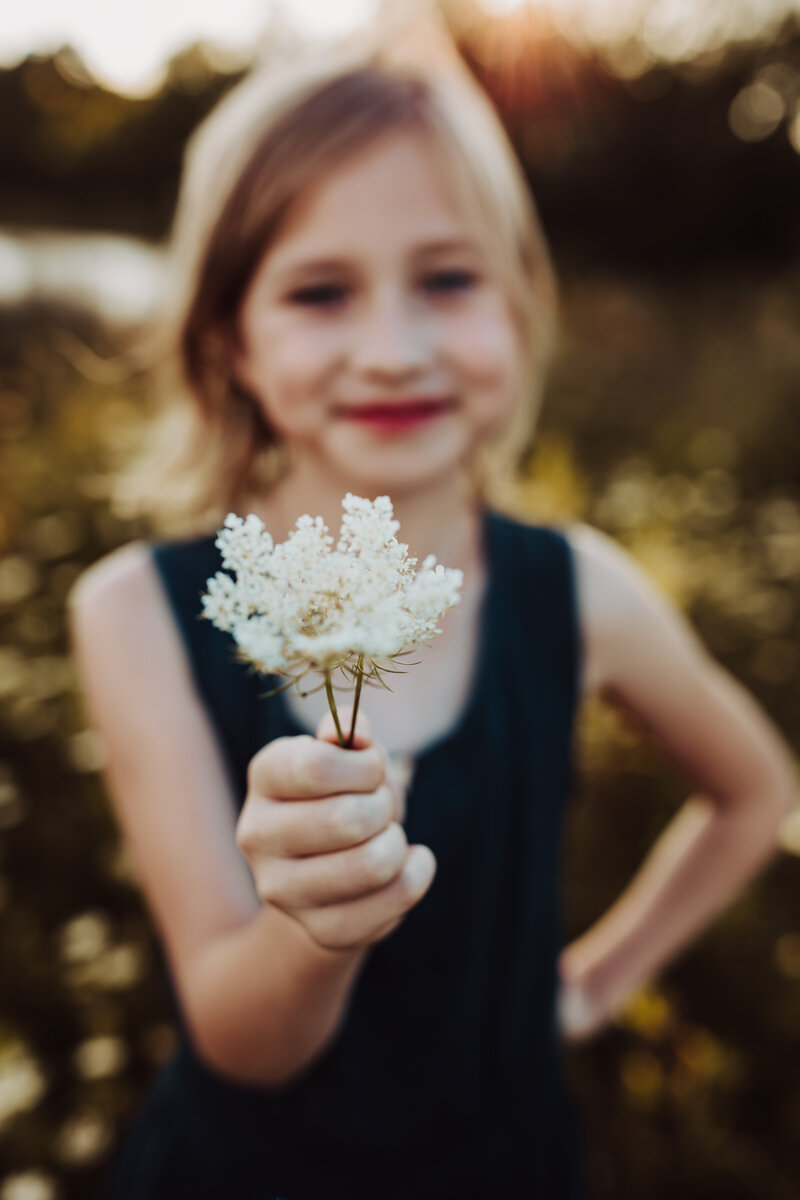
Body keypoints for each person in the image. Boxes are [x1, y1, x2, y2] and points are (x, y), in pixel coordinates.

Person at [67, 18, 794, 1200]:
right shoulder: (139, 613)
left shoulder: (577, 591)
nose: (393, 349)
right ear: (227, 341)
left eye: (448, 280)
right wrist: (312, 928)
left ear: (519, 309)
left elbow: (755, 787)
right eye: (317, 291)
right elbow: (240, 1040)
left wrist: (594, 985)